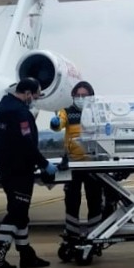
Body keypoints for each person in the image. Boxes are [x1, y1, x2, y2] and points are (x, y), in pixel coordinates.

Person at [0, 77, 57, 268]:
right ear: (27, 93)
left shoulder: (2, 108)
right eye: (34, 95)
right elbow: (26, 143)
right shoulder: (19, 113)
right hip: (20, 169)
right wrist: (44, 164)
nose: (34, 99)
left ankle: (26, 255)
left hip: (6, 167)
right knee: (16, 212)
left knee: (21, 214)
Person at [50, 80, 105, 235]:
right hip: (73, 163)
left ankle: (95, 232)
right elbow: (58, 125)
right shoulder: (66, 112)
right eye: (78, 95)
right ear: (73, 96)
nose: (81, 98)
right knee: (72, 200)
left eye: (84, 95)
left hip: (93, 163)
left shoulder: (98, 112)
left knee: (94, 199)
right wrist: (55, 123)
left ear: (91, 97)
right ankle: (72, 232)